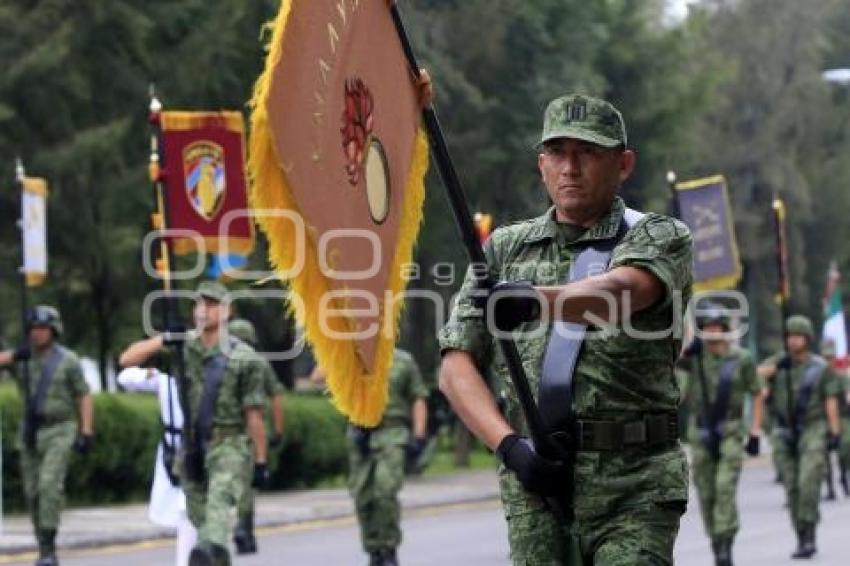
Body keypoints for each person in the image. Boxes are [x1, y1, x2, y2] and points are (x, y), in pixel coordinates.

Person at [438, 93, 692, 565]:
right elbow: (456, 366)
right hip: (538, 484)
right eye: (557, 153)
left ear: (624, 164)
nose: (570, 168)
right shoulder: (503, 250)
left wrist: (535, 301)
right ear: (541, 164)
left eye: (588, 153)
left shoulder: (659, 236)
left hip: (634, 486)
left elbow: (621, 292)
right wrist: (511, 448)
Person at [119, 281, 267, 566]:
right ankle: (211, 551)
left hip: (229, 444)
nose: (205, 310)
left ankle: (208, 549)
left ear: (227, 312)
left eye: (213, 304)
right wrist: (163, 339)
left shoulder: (245, 358)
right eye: (200, 304)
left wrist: (260, 462)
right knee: (200, 519)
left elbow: (254, 415)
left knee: (218, 504)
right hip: (192, 447)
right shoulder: (182, 349)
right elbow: (127, 360)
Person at [0, 305, 94, 566]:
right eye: (33, 328)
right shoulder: (23, 359)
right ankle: (43, 548)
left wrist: (86, 430)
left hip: (60, 429)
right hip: (30, 430)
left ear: (54, 330)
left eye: (42, 328)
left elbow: (83, 394)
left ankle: (49, 549)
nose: (37, 333)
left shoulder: (68, 361)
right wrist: (12, 355)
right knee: (32, 493)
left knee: (49, 485)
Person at [680, 307, 763, 566]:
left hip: (731, 432)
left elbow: (757, 392)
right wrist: (684, 354)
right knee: (706, 492)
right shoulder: (695, 358)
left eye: (718, 326)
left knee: (725, 487)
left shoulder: (742, 358)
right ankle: (716, 541)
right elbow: (675, 384)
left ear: (726, 330)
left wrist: (755, 432)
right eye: (709, 326)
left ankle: (725, 544)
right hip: (701, 433)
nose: (713, 331)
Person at [757, 315, 842, 559]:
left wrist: (834, 432)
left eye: (798, 336)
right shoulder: (779, 363)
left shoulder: (820, 368)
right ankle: (801, 536)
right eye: (790, 336)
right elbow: (753, 374)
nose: (793, 340)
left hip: (813, 429)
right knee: (792, 487)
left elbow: (830, 400)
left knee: (808, 484)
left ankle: (810, 532)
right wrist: (776, 368)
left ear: (807, 338)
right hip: (785, 431)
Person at [347, 348, 429, 566]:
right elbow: (318, 376)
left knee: (385, 491)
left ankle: (389, 548)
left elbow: (418, 397)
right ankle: (373, 550)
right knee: (362, 496)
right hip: (360, 434)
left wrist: (419, 436)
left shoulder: (403, 360)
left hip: (392, 432)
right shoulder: (351, 357)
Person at [116, 358, 197, 566]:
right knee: (184, 512)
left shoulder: (208, 380)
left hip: (200, 448)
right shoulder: (166, 381)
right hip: (172, 452)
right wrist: (148, 374)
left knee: (189, 511)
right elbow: (124, 377)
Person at [226, 317, 285, 555]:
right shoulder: (259, 362)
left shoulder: (222, 360)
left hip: (232, 430)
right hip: (251, 430)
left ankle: (242, 528)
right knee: (247, 483)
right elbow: (277, 396)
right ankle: (244, 528)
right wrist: (278, 430)